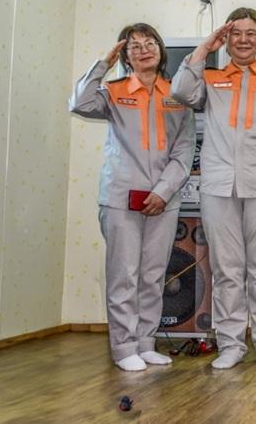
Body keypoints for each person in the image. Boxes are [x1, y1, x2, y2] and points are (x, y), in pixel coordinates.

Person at [171, 8, 256, 369]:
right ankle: (231, 344)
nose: (244, 40)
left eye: (251, 33)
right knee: (226, 269)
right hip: (219, 187)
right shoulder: (211, 78)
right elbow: (180, 90)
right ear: (226, 39)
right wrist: (205, 47)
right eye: (236, 34)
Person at [69, 23, 194, 371]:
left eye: (150, 42)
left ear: (160, 49)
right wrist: (103, 65)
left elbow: (183, 153)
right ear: (125, 56)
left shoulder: (177, 96)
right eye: (134, 46)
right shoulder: (113, 91)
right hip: (120, 198)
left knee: (153, 275)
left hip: (162, 200)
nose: (144, 49)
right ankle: (124, 348)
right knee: (124, 275)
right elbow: (78, 103)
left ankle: (145, 343)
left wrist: (163, 191)